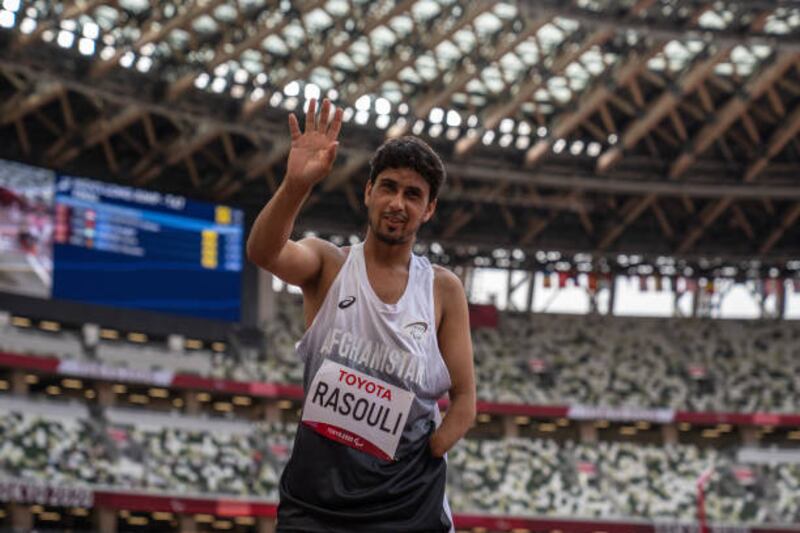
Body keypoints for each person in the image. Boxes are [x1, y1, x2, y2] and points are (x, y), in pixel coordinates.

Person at [247, 98, 476, 533]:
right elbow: (264, 252)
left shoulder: (442, 289)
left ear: (428, 209)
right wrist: (296, 184)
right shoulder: (328, 263)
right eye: (388, 187)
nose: (397, 202)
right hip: (316, 504)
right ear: (368, 191)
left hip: (408, 508)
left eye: (413, 195)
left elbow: (464, 400)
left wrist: (425, 451)